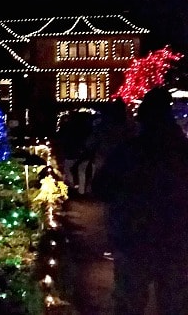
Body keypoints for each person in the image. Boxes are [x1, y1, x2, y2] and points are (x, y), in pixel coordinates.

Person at [92, 87, 188, 315]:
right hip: (177, 239)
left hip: (134, 237)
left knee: (129, 301)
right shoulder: (183, 151)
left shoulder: (129, 151)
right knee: (174, 303)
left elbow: (102, 188)